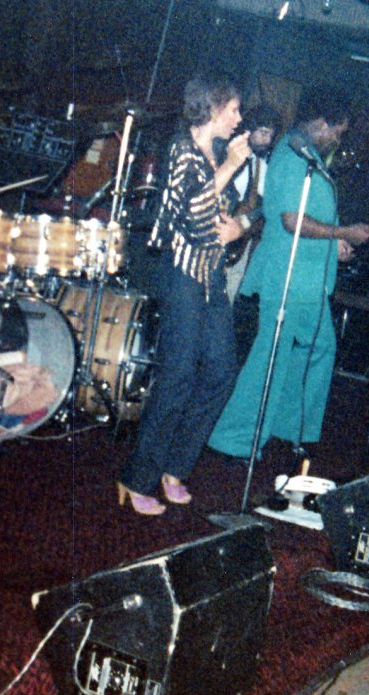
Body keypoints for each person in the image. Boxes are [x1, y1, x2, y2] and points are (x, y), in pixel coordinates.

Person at [208, 88, 369, 460]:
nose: (338, 139)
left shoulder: (309, 156)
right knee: (272, 356)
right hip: (288, 276)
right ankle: (235, 438)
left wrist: (334, 242)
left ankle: (285, 428)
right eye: (338, 131)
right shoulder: (291, 154)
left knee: (319, 347)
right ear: (322, 123)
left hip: (309, 280)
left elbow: (310, 214)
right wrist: (343, 232)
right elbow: (290, 219)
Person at [117, 74, 251, 514]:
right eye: (233, 108)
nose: (238, 118)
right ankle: (137, 478)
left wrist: (239, 227)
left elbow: (235, 214)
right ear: (212, 107)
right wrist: (230, 167)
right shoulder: (181, 150)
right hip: (182, 276)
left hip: (212, 280)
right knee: (176, 379)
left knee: (221, 374)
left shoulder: (218, 153)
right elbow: (193, 213)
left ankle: (175, 466)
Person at [223, 103, 281, 303]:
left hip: (241, 243)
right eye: (263, 133)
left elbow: (263, 206)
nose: (268, 140)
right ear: (249, 129)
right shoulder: (230, 153)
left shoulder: (261, 165)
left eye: (271, 135)